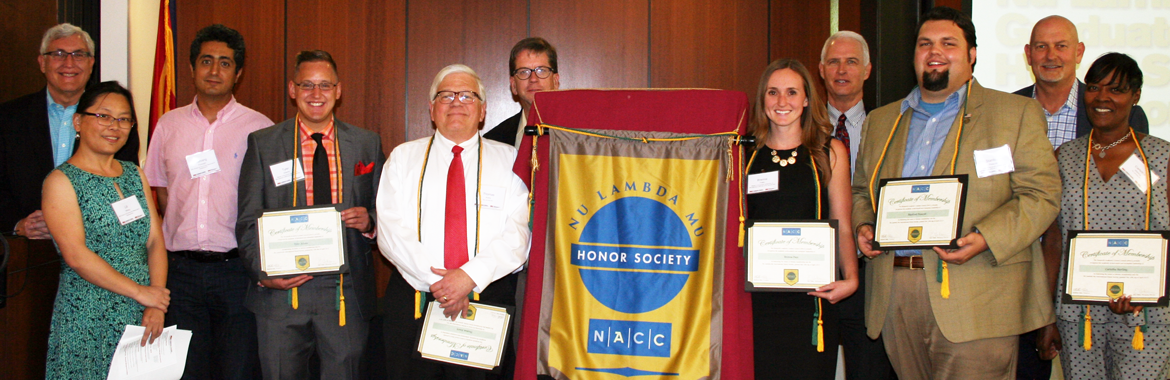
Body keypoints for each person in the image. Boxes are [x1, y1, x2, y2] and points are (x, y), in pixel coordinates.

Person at [851, 7, 1061, 379]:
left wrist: (984, 238)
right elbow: (860, 192)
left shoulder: (1015, 113)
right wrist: (864, 225)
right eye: (925, 44)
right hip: (894, 293)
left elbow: (1041, 195)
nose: (935, 52)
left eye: (949, 44)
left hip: (978, 294)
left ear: (972, 54)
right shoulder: (881, 121)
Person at [376, 64, 530, 380]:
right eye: (445, 95)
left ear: (483, 110)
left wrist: (468, 277)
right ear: (432, 109)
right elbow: (390, 230)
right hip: (415, 299)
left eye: (467, 95)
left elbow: (519, 233)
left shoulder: (511, 160)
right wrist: (441, 283)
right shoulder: (403, 158)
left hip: (485, 300)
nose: (456, 102)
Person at [236, 50, 383, 380]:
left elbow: (384, 210)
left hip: (343, 289)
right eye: (306, 85)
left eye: (325, 85)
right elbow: (247, 220)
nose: (316, 95)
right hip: (280, 290)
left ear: (338, 90)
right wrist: (262, 273)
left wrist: (370, 222)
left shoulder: (365, 144)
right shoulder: (264, 144)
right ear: (292, 89)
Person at [143, 24, 270, 380]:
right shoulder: (167, 126)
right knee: (184, 371)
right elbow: (162, 193)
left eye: (225, 63)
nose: (215, 71)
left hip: (237, 272)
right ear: (191, 67)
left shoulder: (260, 128)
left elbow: (269, 202)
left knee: (238, 369)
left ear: (238, 73)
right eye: (206, 61)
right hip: (180, 274)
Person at [1039, 52, 1170, 380]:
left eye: (1117, 89)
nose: (1102, 98)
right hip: (1077, 316)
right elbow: (1054, 241)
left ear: (1136, 97)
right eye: (1095, 87)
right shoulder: (1065, 157)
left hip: (1148, 316)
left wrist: (1146, 289)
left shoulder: (1163, 156)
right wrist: (1045, 317)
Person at [41, 81, 169, 379]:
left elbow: (154, 242)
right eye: (104, 116)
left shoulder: (134, 174)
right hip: (87, 313)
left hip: (142, 312)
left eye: (124, 119)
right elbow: (76, 255)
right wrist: (143, 293)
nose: (115, 126)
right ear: (78, 121)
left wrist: (156, 303)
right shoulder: (60, 181)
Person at [745, 58, 859, 379]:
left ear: (807, 99)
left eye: (792, 92)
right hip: (757, 303)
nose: (782, 102)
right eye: (773, 93)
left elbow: (843, 225)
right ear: (762, 99)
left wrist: (851, 279)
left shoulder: (829, 151)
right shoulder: (744, 153)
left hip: (812, 300)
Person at [0, 23, 140, 239]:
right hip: (26, 251)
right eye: (58, 54)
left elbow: (125, 187)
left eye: (79, 54)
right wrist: (17, 224)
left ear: (91, 63)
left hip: (96, 247)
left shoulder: (115, 121)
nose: (69, 63)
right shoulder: (9, 118)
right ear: (42, 62)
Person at [817, 31, 894, 380]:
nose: (842, 69)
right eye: (834, 61)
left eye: (851, 61)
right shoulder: (801, 130)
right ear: (821, 70)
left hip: (872, 275)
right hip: (814, 276)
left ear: (867, 70)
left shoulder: (892, 128)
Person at [1013, 15, 1148, 150]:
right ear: (1029, 55)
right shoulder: (1004, 110)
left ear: (1079, 52)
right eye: (1041, 46)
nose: (1051, 56)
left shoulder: (1122, 113)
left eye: (1061, 46)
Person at [484, 37, 560, 148]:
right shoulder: (494, 142)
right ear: (514, 85)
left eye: (541, 70)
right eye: (524, 72)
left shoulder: (578, 134)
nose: (533, 78)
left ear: (555, 81)